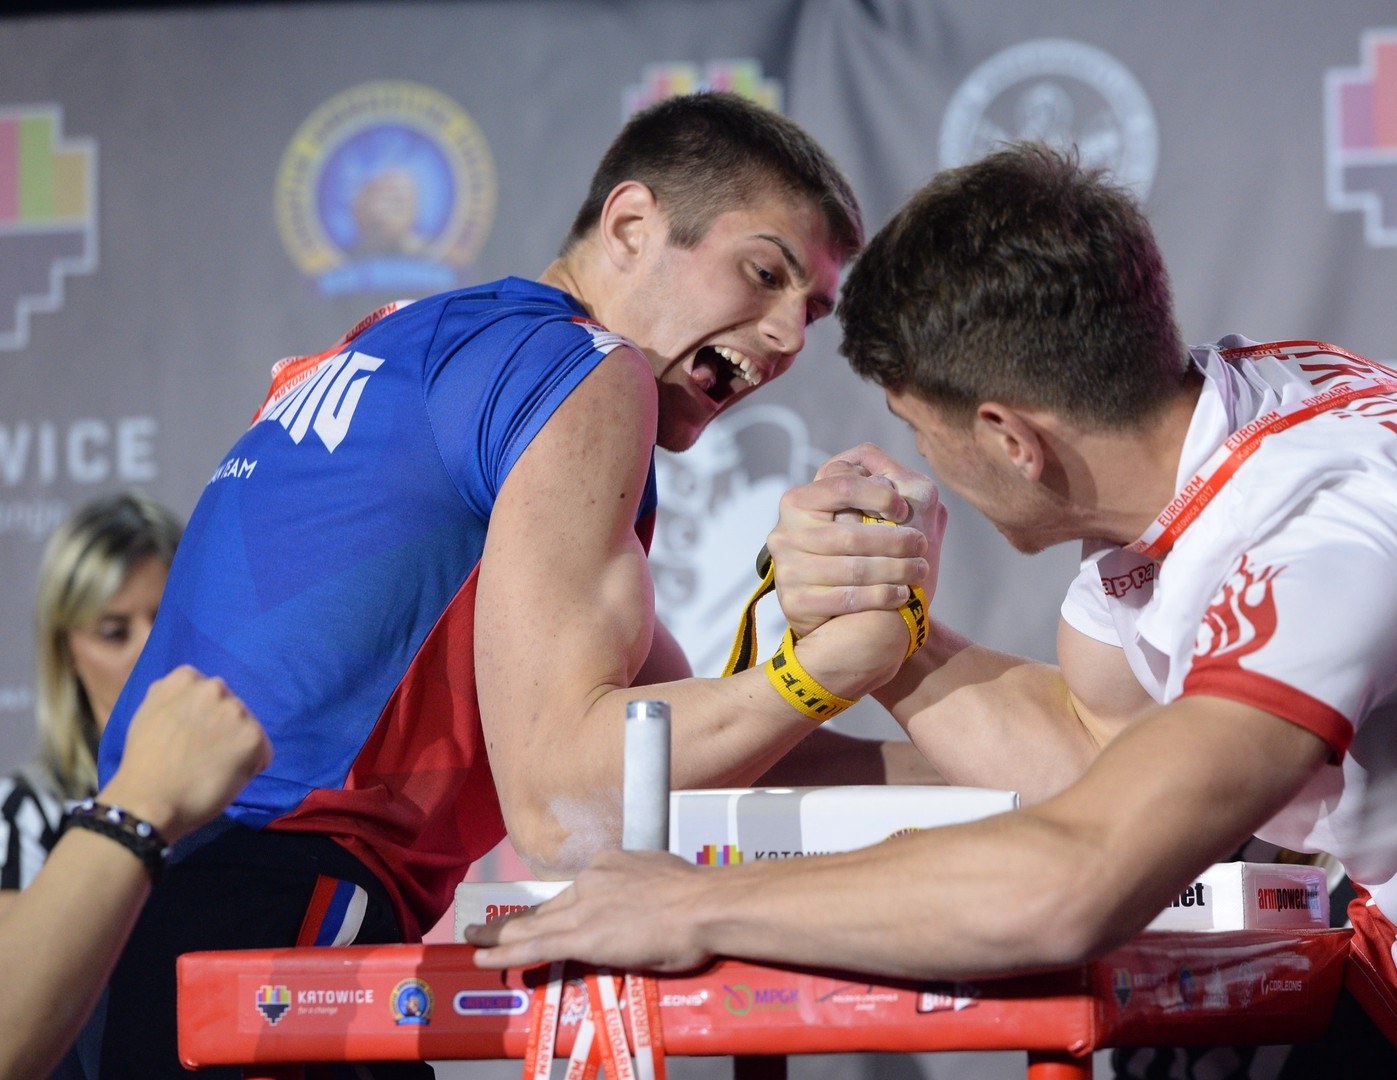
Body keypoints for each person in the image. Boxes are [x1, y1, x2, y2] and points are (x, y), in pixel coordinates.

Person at [470, 143, 1397, 1079]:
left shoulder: (1325, 537)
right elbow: (1093, 755)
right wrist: (893, 635)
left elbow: (1074, 878)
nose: (922, 462)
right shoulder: (1219, 431)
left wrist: (695, 906)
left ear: (1010, 439)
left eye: (920, 431)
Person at [85, 92, 927, 1079]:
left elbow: (682, 754)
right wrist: (824, 669)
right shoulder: (584, 369)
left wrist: (1024, 798)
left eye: (812, 309)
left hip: (120, 913)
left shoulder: (422, 340)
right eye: (764, 272)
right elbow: (564, 804)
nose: (787, 335)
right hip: (269, 920)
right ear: (630, 225)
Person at [0, 666, 268, 1080]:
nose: (142, 654)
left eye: (154, 631)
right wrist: (144, 800)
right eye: (114, 635)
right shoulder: (27, 808)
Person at [0, 490, 182, 904]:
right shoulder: (23, 817)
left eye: (167, 624)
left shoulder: (249, 799)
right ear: (66, 652)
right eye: (115, 632)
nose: (149, 651)